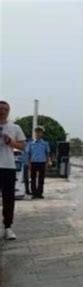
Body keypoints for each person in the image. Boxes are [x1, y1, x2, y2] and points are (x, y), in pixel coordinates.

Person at [0, 101, 26, 240]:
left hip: (8, 166)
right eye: (1, 109)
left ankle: (8, 227)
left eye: (6, 109)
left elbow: (22, 146)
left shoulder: (15, 127)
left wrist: (11, 142)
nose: (3, 111)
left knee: (8, 198)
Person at [26, 126, 51, 199]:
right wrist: (29, 163)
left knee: (41, 179)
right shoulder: (31, 143)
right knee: (33, 179)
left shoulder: (45, 143)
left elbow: (47, 153)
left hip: (42, 162)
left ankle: (40, 193)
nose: (38, 133)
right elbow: (29, 154)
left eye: (40, 132)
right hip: (33, 162)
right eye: (37, 132)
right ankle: (34, 193)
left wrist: (47, 163)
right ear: (35, 133)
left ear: (42, 133)